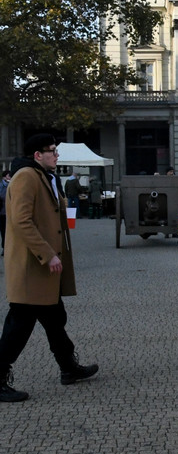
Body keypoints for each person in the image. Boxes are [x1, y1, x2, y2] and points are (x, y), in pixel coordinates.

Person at [1, 134, 98, 403]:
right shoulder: (26, 177)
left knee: (55, 320)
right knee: (18, 326)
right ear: (37, 155)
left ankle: (68, 367)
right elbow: (21, 222)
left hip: (43, 269)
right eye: (52, 151)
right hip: (32, 267)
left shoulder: (44, 176)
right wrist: (47, 254)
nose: (56, 155)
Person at [0, 170, 11, 254]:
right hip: (3, 212)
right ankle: (4, 247)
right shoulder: (3, 186)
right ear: (4, 177)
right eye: (8, 176)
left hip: (8, 212)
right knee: (4, 231)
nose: (10, 177)